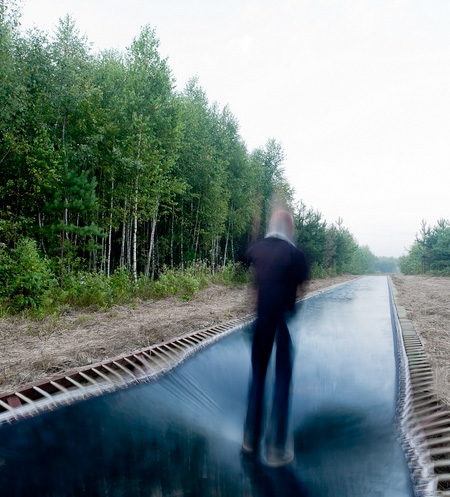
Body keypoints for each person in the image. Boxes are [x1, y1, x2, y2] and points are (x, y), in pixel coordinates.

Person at [242, 209, 309, 467]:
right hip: (280, 324)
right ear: (289, 229)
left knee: (257, 379)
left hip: (261, 324)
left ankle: (250, 438)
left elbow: (244, 259)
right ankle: (276, 448)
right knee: (282, 381)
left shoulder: (259, 247)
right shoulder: (295, 254)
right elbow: (300, 287)